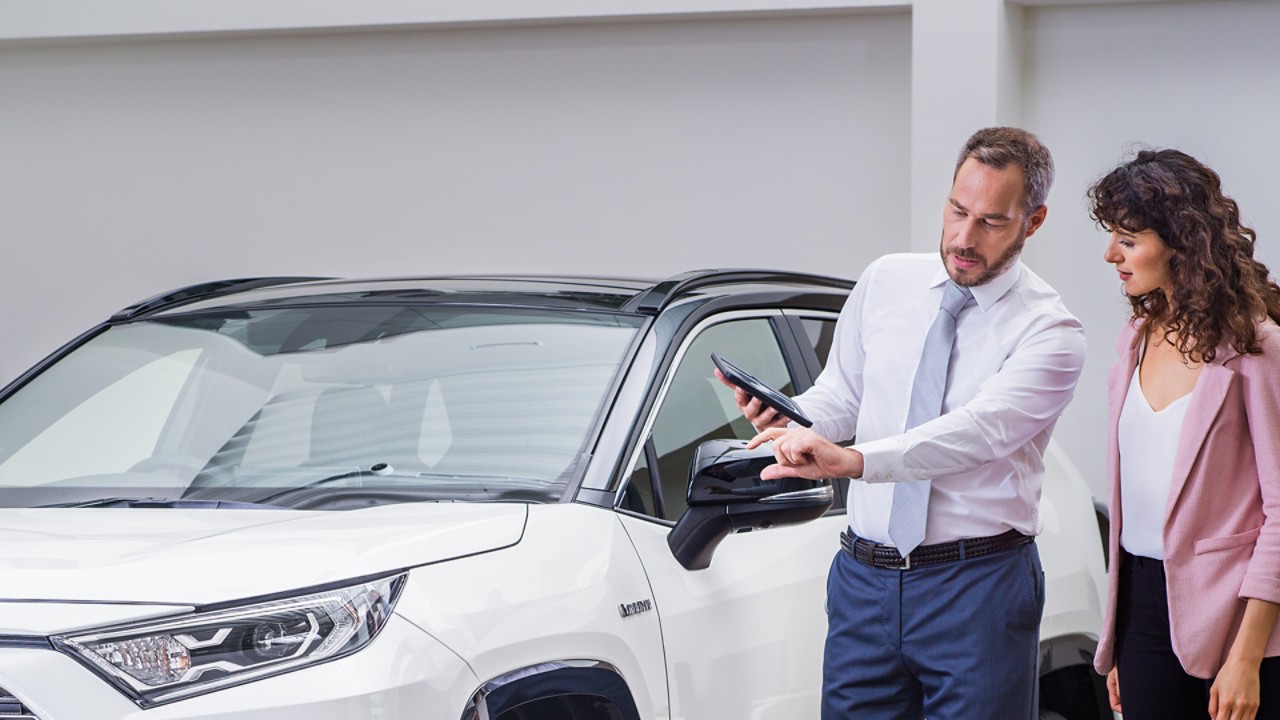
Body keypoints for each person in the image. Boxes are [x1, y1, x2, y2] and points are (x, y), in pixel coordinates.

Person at [719, 127, 1086, 719]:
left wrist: (857, 462)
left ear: (1033, 221)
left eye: (991, 222)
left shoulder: (1051, 331)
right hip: (863, 583)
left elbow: (978, 431)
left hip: (979, 587)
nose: (964, 237)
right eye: (957, 210)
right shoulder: (887, 280)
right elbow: (844, 392)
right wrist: (796, 420)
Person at [1089, 149, 1280, 720]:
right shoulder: (1134, 339)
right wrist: (1120, 642)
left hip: (1238, 615)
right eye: (1111, 236)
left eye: (1128, 237)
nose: (1111, 254)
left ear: (1181, 240)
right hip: (1143, 608)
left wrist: (1247, 658)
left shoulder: (1257, 347)